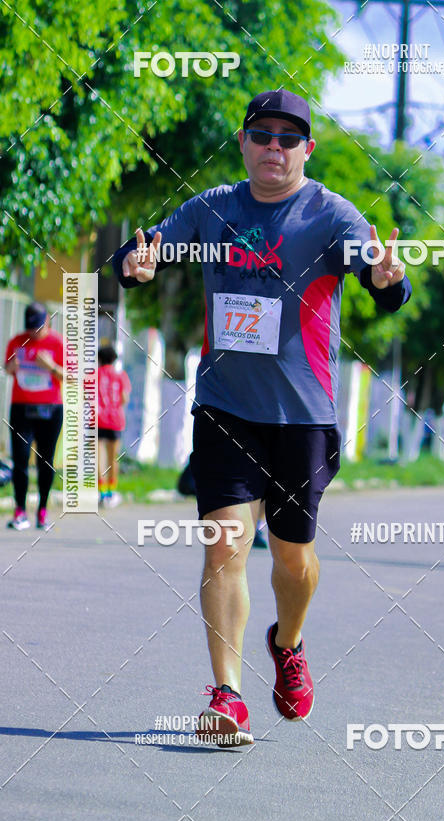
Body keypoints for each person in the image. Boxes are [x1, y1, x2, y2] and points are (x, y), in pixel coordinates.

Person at [113, 89, 411, 745]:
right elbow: (143, 254)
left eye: (289, 137)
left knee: (292, 560)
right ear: (244, 143)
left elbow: (378, 277)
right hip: (225, 408)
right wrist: (133, 266)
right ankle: (227, 695)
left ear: (307, 148)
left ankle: (290, 641)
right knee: (223, 546)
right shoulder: (212, 211)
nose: (274, 147)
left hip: (303, 417)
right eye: (263, 135)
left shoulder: (331, 216)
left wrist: (389, 280)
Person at [4, 302, 64, 531]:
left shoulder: (58, 343)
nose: (33, 333)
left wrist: (51, 367)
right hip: (22, 407)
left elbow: (71, 376)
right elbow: (7, 368)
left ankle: (42, 510)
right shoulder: (16, 341)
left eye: (37, 328)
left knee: (45, 461)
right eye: (30, 328)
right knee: (20, 460)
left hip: (50, 409)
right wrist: (10, 368)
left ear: (47, 321)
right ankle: (20, 510)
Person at [97, 345, 131, 507]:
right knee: (113, 457)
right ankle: (112, 491)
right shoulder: (120, 375)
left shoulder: (94, 375)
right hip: (116, 420)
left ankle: (101, 491)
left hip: (98, 419)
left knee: (99, 456)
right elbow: (124, 398)